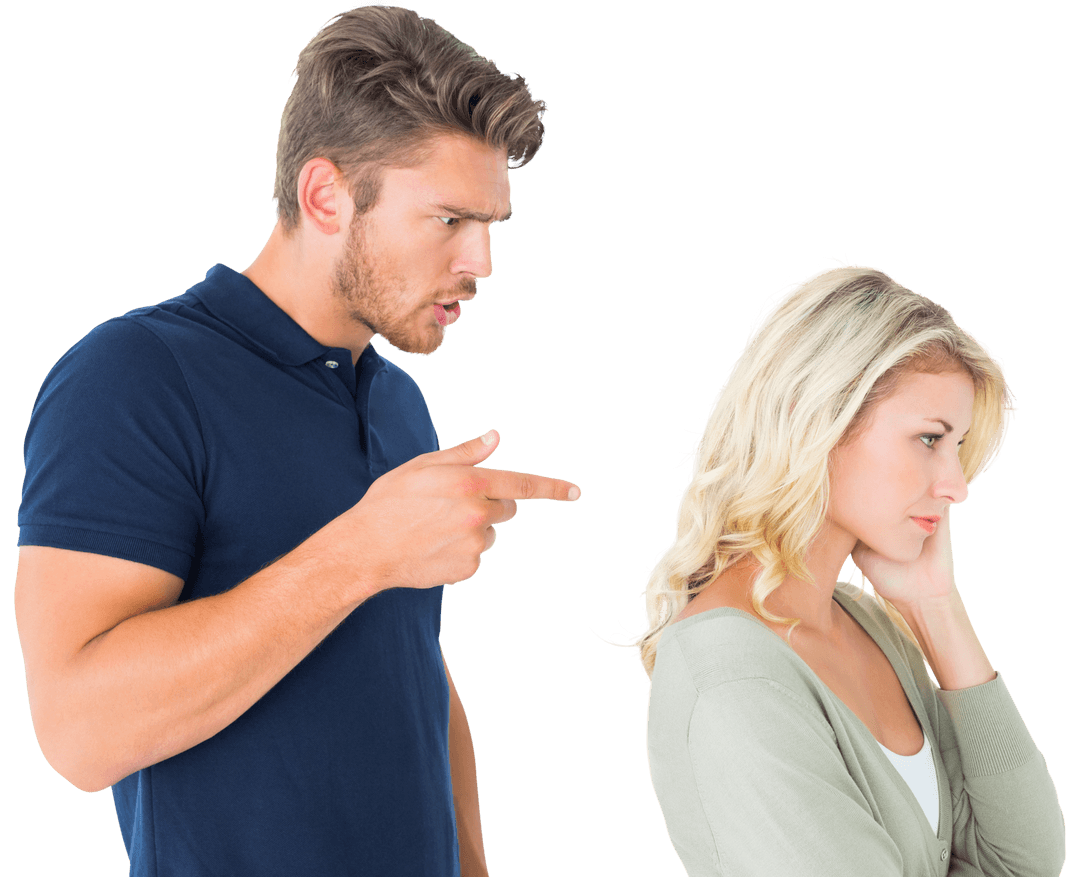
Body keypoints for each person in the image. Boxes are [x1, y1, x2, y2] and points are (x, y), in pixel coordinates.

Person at [14, 5, 580, 876]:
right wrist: (361, 551)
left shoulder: (396, 404)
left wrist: (470, 858)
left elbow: (411, 659)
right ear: (325, 196)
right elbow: (78, 731)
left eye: (491, 227)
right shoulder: (133, 376)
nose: (482, 262)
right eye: (449, 220)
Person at [638, 265, 1066, 876]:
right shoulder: (731, 674)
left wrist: (934, 607)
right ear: (821, 420)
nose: (955, 486)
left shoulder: (869, 623)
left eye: (957, 447)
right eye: (928, 439)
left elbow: (1024, 863)